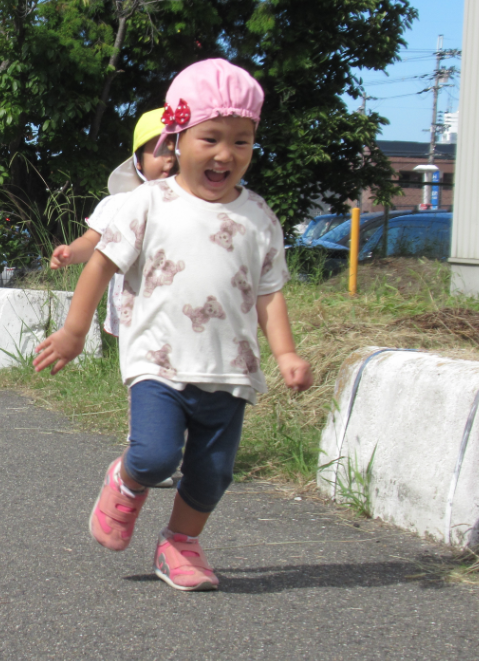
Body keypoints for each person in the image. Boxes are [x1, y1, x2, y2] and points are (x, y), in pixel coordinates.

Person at [33, 59, 313, 592]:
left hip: (229, 368)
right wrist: (74, 331)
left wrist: (286, 355)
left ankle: (180, 545)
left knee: (212, 473)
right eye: (210, 138)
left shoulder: (260, 217)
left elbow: (270, 295)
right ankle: (127, 479)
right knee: (156, 454)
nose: (225, 154)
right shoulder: (148, 203)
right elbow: (100, 265)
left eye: (242, 141)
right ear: (177, 139)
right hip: (158, 359)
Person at [50, 108, 177, 336]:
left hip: (180, 312)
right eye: (160, 149)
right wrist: (72, 252)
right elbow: (92, 240)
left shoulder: (194, 207)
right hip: (135, 311)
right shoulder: (122, 204)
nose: (171, 158)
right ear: (138, 162)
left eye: (178, 149)